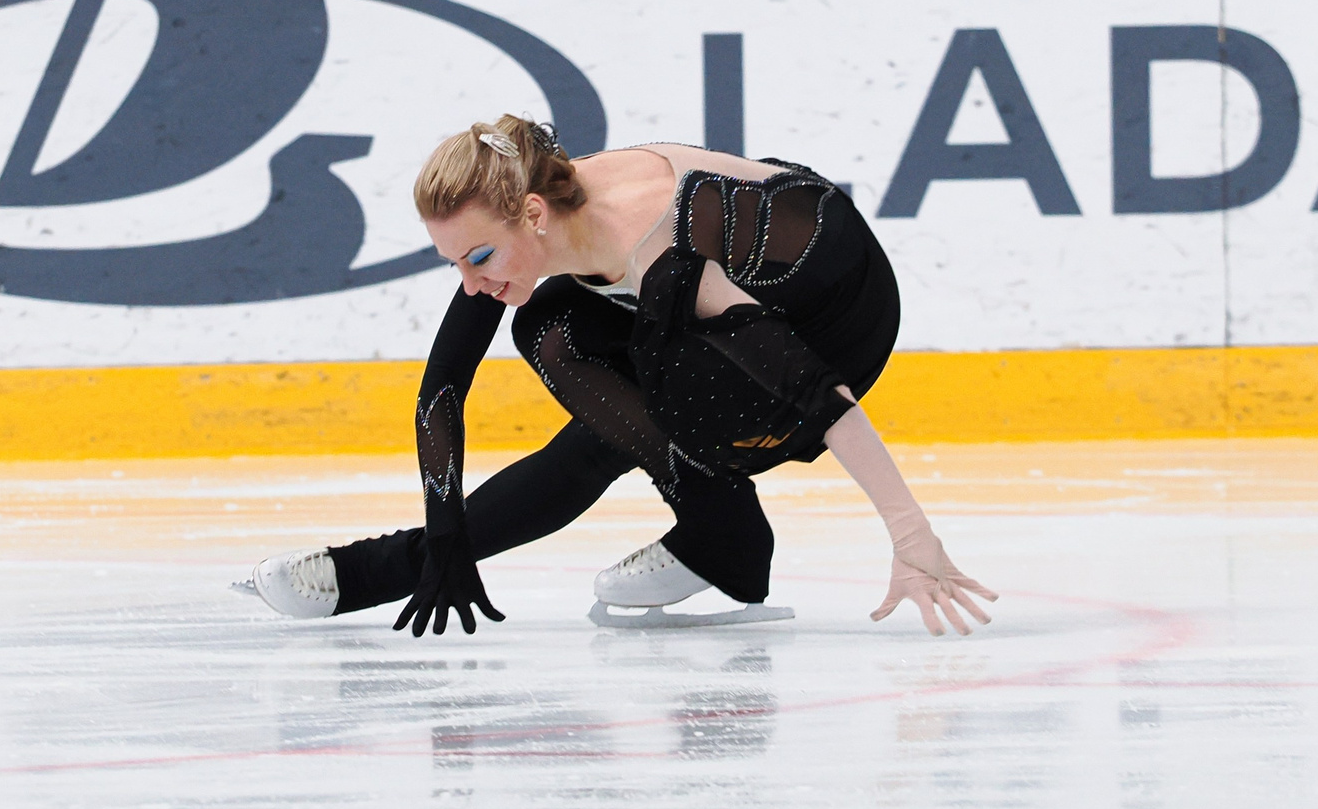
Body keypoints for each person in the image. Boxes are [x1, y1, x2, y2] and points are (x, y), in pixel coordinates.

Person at [245, 115, 997, 637]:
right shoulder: (525, 217)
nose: (469, 282)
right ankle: (723, 539)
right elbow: (444, 385)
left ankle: (723, 538)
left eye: (476, 260)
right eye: (455, 264)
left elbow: (813, 391)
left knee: (603, 382)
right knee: (553, 330)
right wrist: (445, 539)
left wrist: (911, 535)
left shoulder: (659, 250)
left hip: (832, 313)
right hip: (745, 282)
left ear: (532, 215)